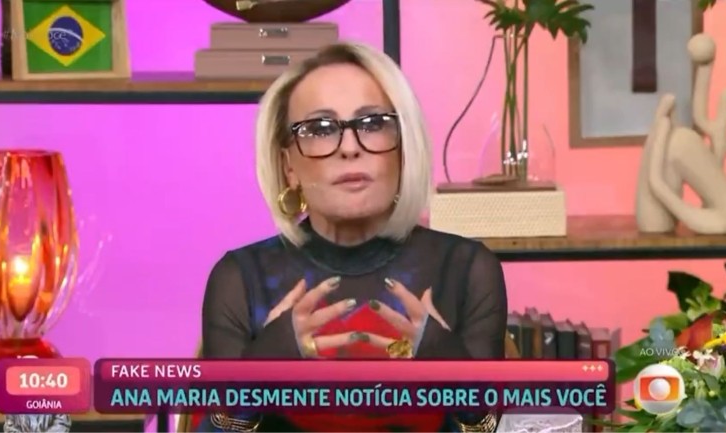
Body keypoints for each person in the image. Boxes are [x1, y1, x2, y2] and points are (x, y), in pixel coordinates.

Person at [199, 41, 507, 432]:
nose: (349, 148)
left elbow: (488, 426)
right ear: (288, 165)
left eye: (373, 124)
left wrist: (450, 368)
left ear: (403, 150)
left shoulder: (467, 269)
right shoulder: (239, 278)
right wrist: (261, 370)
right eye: (319, 129)